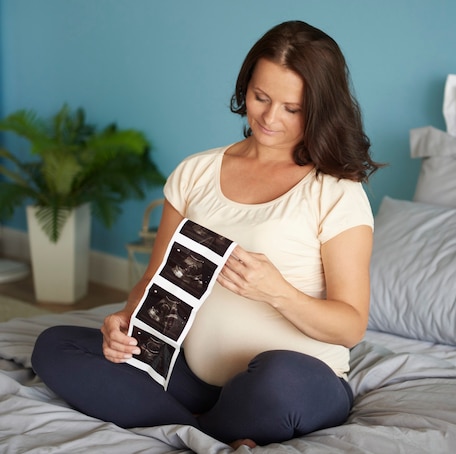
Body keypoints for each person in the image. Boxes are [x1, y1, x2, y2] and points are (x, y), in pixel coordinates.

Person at [31, 20, 382, 448]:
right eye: (261, 97)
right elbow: (154, 279)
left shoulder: (336, 191)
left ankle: (197, 426)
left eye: (293, 109)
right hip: (187, 375)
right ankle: (208, 431)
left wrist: (278, 292)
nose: (270, 118)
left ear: (320, 108)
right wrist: (126, 322)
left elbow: (350, 326)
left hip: (293, 382)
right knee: (56, 346)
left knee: (279, 381)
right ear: (245, 88)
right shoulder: (195, 172)